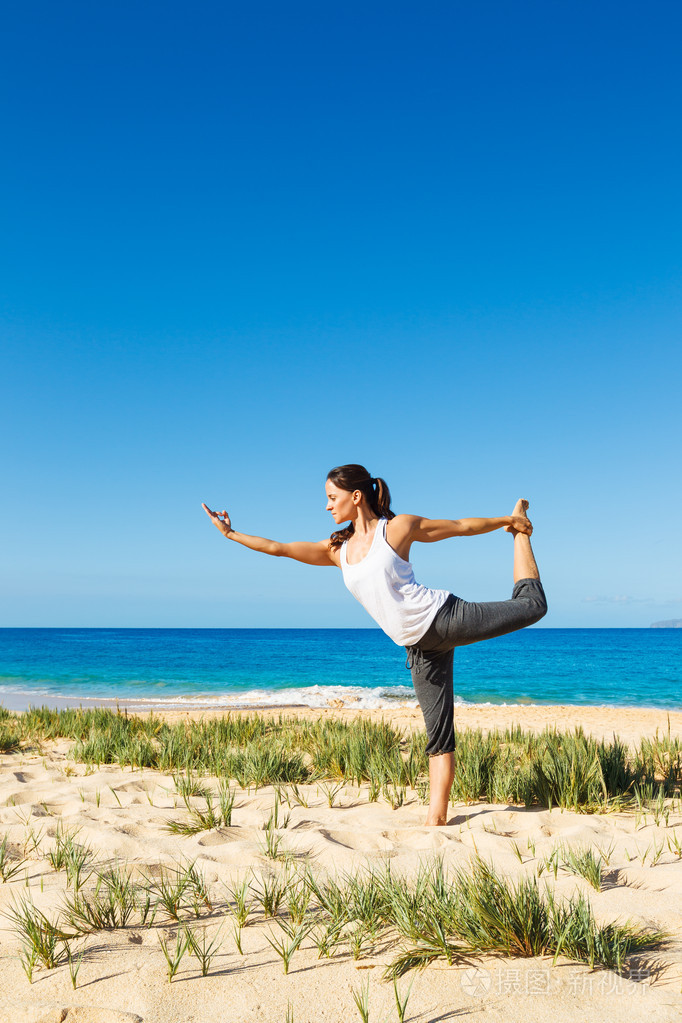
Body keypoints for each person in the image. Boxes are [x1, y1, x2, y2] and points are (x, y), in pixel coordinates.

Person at [202, 463, 547, 826]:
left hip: (442, 617)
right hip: (419, 649)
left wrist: (509, 523)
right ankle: (437, 820)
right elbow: (280, 548)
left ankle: (520, 534)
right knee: (438, 735)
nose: (327, 506)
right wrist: (230, 534)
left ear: (356, 496)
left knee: (532, 607)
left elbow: (460, 527)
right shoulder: (338, 550)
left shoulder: (396, 529)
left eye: (332, 498)